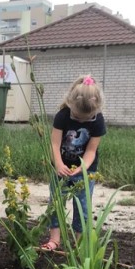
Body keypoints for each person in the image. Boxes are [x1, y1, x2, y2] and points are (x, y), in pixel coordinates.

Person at [41, 74, 106, 251]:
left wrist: (82, 168)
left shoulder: (98, 121)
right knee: (56, 203)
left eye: (86, 119)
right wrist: (59, 164)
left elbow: (91, 150)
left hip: (85, 170)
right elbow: (54, 143)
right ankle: (54, 239)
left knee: (83, 207)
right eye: (77, 117)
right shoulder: (63, 115)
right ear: (71, 105)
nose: (81, 121)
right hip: (61, 169)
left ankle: (80, 244)